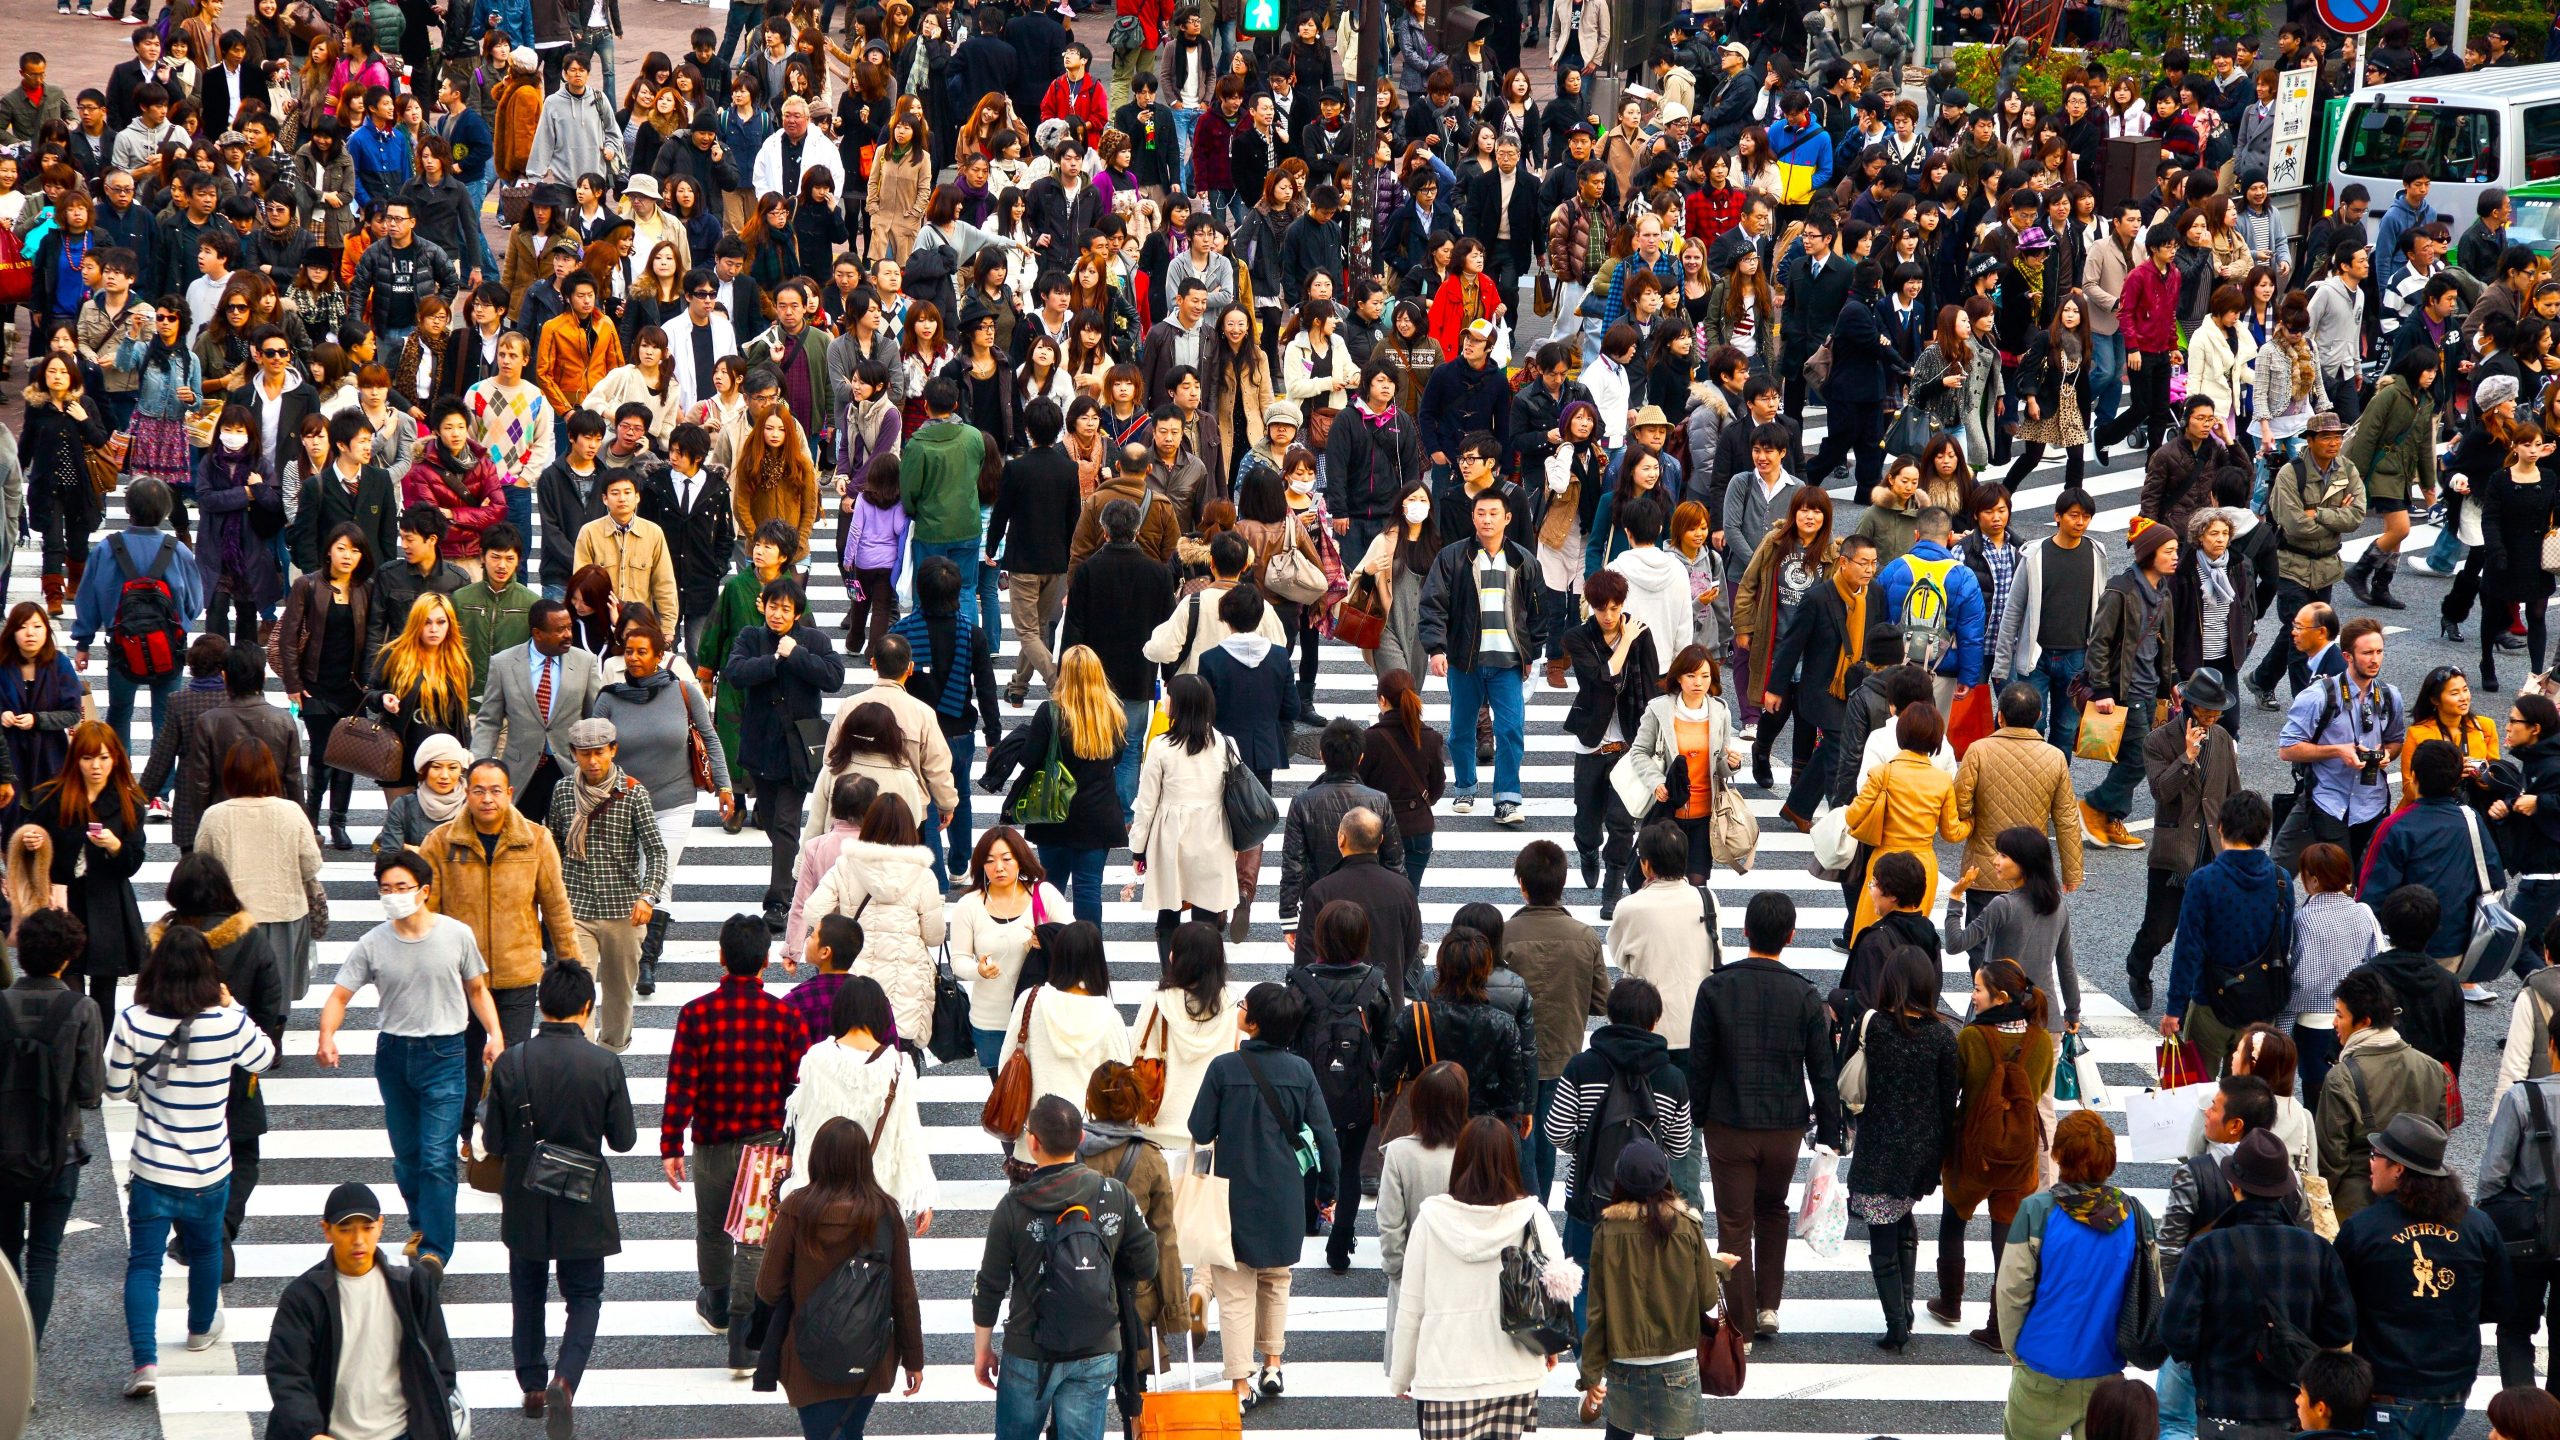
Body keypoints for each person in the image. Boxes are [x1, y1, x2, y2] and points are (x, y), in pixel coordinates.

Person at [313, 846, 503, 1271]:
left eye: (401, 887)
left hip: (446, 1054)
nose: (393, 895)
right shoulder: (372, 943)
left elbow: (477, 990)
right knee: (407, 1157)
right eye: (385, 889)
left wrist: (495, 1034)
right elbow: (340, 994)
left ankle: (435, 1249)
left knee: (437, 1157)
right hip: (394, 1055)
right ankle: (420, 1223)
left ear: (424, 891)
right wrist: (327, 1035)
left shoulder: (456, 935)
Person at [107, 922, 278, 1394]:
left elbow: (115, 1087)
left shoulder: (133, 1020)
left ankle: (145, 1363)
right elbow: (264, 1058)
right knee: (204, 1249)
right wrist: (234, 1006)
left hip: (152, 1166)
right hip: (209, 1165)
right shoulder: (227, 1022)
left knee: (144, 1263)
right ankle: (201, 1329)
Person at [480, 960, 636, 1431]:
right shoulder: (605, 1065)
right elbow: (623, 1140)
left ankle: (531, 1385)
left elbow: (495, 1143)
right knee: (585, 1295)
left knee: (526, 1292)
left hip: (526, 1196)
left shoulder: (513, 1061)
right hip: (582, 1196)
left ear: (542, 1005)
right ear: (587, 1008)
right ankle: (565, 1381)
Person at [1691, 890, 1843, 1339]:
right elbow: (1822, 1071)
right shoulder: (1804, 995)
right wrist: (1829, 1131)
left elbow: (1700, 1062)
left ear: (1745, 932)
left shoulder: (1715, 988)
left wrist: (1698, 1115)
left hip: (1728, 1122)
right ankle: (1769, 1307)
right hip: (1784, 1125)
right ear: (1791, 936)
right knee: (1772, 1211)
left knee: (1734, 1223)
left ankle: (1739, 1324)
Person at [1189, 981, 1339, 1410]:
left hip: (1233, 1197)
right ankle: (1273, 1363)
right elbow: (1325, 1138)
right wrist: (1327, 1190)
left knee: (1235, 1290)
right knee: (1276, 1278)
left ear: (1252, 1022)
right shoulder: (1302, 1073)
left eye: (1244, 1005)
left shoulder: (1223, 1068)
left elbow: (1200, 1131)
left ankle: (1239, 1384)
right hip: (1284, 1195)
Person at [662, 913, 801, 1369]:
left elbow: (681, 1084)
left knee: (713, 1228)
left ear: (721, 958)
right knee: (754, 1238)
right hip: (765, 1142)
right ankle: (743, 1339)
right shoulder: (784, 1016)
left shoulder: (696, 1014)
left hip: (712, 1142)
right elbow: (793, 1085)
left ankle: (716, 1304)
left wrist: (671, 1146)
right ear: (764, 962)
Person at [415, 757, 583, 1135]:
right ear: (466, 793)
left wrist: (575, 969)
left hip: (517, 975)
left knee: (512, 1062)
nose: (487, 798)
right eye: (478, 790)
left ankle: (506, 1137)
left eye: (495, 791)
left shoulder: (536, 840)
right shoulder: (440, 843)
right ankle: (463, 1134)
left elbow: (556, 908)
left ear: (509, 794)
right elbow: (426, 913)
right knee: (464, 1061)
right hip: (460, 980)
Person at [2161, 1127, 2356, 1437]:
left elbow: (2176, 1336)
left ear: (2234, 1186)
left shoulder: (2206, 1250)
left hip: (2222, 1409)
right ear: (2284, 1189)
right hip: (2294, 1410)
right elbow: (2340, 1331)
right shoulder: (2317, 1251)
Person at [757, 1111, 929, 1437]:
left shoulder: (796, 1209)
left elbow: (768, 1288)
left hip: (809, 1355)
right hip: (868, 1357)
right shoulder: (885, 1212)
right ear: (864, 1161)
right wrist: (913, 1359)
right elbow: (904, 1295)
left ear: (818, 1158)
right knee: (851, 1431)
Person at [1386, 1115, 1563, 1433]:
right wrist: (1549, 1346)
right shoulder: (1531, 1215)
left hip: (1446, 1379)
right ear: (1511, 1160)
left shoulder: (1432, 1219)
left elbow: (1411, 1307)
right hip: (1515, 1374)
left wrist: (1402, 1374)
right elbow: (1559, 1286)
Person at [2335, 1113, 2506, 1440]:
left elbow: (2339, 1308)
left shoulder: (2363, 1229)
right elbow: (2500, 1304)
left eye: (2376, 1157)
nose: (2370, 1164)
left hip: (2388, 1386)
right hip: (2453, 1386)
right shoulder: (2478, 1226)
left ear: (2398, 1169)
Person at [1994, 1109, 2160, 1440]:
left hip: (2041, 1367)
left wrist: (2016, 1351)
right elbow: (2153, 1290)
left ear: (2059, 1156)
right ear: (2109, 1162)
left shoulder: (2036, 1212)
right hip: (2106, 1375)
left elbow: (2011, 1291)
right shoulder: (2136, 1216)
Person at [260, 1182, 462, 1440]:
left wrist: (425, 1422)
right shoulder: (304, 1296)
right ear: (327, 1231)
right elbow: (286, 1372)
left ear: (380, 1226)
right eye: (345, 1230)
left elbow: (440, 1362)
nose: (358, 1240)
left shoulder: (412, 1282)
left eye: (367, 1228)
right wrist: (311, 1432)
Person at [594, 614, 728, 993]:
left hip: (674, 800)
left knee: (659, 877)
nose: (632, 658)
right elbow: (594, 749)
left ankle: (647, 960)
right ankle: (627, 951)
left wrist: (725, 787)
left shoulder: (683, 691)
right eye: (628, 651)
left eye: (641, 652)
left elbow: (710, 738)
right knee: (629, 877)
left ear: (658, 655)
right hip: (622, 803)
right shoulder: (608, 698)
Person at [1935, 958, 2056, 1352]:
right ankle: (1998, 1325)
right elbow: (2036, 1093)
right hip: (2018, 1155)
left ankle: (1950, 1303)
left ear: (1999, 997)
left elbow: (1955, 1091)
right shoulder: (2040, 1042)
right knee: (2005, 1237)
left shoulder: (1970, 1039)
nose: (1972, 995)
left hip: (1973, 1151)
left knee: (1954, 1221)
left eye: (1977, 989)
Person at [1841, 945, 1957, 1350]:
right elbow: (1948, 1101)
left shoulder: (1873, 1027)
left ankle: (1897, 1324)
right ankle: (1904, 1308)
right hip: (1922, 1150)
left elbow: (1848, 1077)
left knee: (1881, 1234)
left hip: (1878, 1148)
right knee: (1902, 1217)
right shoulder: (1944, 1037)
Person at [1575, 1136, 1724, 1440]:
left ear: (1620, 1182)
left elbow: (1598, 1310)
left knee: (1618, 1434)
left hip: (1624, 1362)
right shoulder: (1686, 1226)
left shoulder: (1607, 1232)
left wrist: (1590, 1374)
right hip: (1676, 1360)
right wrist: (1717, 1267)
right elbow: (1707, 1296)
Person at [0, 908, 100, 1345]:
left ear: (20, 950)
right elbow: (91, 1091)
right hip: (61, 1150)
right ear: (68, 957)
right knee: (44, 1257)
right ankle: (28, 1362)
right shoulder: (82, 1009)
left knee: (5, 1258)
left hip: (1, 1150)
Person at [724, 577, 848, 930]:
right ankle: (789, 875)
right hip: (761, 746)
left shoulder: (813, 640)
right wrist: (773, 662)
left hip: (797, 749)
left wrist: (796, 655)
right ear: (763, 605)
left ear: (797, 613)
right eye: (773, 607)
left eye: (786, 609)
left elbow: (834, 677)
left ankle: (778, 901)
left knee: (785, 823)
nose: (778, 615)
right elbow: (734, 672)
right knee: (773, 822)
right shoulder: (751, 637)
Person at [542, 717, 667, 1054]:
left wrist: (648, 896)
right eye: (584, 754)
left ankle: (611, 1054)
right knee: (576, 989)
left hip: (623, 910)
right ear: (573, 754)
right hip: (575, 907)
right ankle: (580, 1056)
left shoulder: (632, 792)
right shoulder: (563, 792)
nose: (593, 761)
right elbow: (552, 841)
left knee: (619, 993)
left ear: (613, 750)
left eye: (599, 752)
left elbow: (656, 850)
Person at [1418, 488, 1541, 826]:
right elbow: (1433, 604)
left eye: (1493, 513)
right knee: (1460, 729)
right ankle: (1465, 786)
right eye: (1481, 513)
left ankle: (1507, 798)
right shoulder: (1452, 557)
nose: (1487, 519)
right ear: (1473, 517)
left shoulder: (1523, 561)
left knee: (1512, 728)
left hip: (1508, 662)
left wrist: (1533, 650)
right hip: (1464, 659)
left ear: (1507, 518)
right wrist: (1436, 648)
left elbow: (1539, 610)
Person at [782, 974, 936, 1226]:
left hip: (820, 1196)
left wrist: (799, 1188)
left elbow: (805, 1129)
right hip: (876, 1197)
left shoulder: (816, 1058)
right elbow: (908, 1132)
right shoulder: (898, 1066)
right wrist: (923, 1197)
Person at [24, 721, 151, 1021]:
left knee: (104, 990)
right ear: (75, 759)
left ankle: (94, 1060)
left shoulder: (129, 803)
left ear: (115, 759)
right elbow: (29, 838)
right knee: (71, 986)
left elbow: (132, 863)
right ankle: (77, 1050)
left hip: (109, 905)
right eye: (88, 758)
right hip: (64, 903)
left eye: (104, 758)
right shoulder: (53, 797)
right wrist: (32, 842)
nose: (96, 766)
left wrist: (116, 846)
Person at [1003, 647, 1129, 923]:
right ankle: (1089, 956)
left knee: (1050, 888)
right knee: (1088, 888)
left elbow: (1030, 759)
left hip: (1054, 811)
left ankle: (1048, 950)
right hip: (1098, 812)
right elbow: (1118, 756)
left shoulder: (1050, 712)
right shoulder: (1113, 711)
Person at [1766, 534, 1883, 830]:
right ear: (1843, 562)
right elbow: (1792, 645)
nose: (1870, 569)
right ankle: (1841, 820)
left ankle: (1798, 807)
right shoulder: (1818, 597)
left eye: (1874, 563)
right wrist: (1775, 688)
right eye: (1863, 562)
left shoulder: (1876, 594)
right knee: (1840, 749)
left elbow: (1877, 638)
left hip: (1859, 685)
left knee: (1833, 746)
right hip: (1821, 687)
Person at [2319, 966, 2453, 1221]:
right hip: (2417, 1199)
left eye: (2339, 1015)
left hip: (2355, 1203)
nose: (2334, 1023)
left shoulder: (2342, 1076)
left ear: (2364, 1022)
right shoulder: (2433, 1069)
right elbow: (2438, 1136)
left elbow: (2331, 1159)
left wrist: (2321, 1213)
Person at [2077, 524, 2182, 850]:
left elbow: (2162, 644)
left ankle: (2112, 819)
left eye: (2176, 550)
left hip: (2151, 688)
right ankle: (2093, 804)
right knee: (2139, 758)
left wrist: (2173, 681)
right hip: (2127, 690)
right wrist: (2102, 689)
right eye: (2169, 551)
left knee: (2129, 757)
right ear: (2149, 553)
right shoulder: (2120, 591)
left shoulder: (2162, 591)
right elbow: (2099, 643)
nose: (2176, 557)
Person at [2276, 615, 2406, 874]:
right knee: (2335, 885)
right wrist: (2337, 750)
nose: (2375, 659)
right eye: (2367, 653)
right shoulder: (2317, 696)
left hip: (2372, 805)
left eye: (2380, 652)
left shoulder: (2390, 696)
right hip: (2328, 802)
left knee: (2367, 888)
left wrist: (2386, 755)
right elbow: (2287, 749)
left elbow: (2396, 740)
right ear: (2347, 656)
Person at [2477, 1006, 2560, 1390]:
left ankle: (2521, 1420)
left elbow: (2492, 1178)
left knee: (2515, 1328)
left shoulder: (2524, 1098)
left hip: (2527, 1235)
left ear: (2553, 1046)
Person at [1131, 674, 1242, 944]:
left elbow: (1147, 803)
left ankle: (1170, 975)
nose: (1164, 699)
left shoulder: (1161, 747)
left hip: (1171, 834)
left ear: (1180, 704)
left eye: (1168, 695)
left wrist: (1138, 848)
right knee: (1207, 912)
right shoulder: (1227, 745)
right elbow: (1235, 798)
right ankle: (1203, 975)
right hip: (1214, 833)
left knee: (1169, 911)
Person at [474, 598, 605, 823]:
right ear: (537, 633)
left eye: (569, 627)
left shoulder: (586, 662)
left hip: (567, 768)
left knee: (568, 845)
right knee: (519, 843)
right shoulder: (503, 664)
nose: (568, 635)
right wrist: (479, 764)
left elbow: (594, 719)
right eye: (559, 630)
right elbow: (489, 721)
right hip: (521, 770)